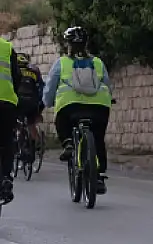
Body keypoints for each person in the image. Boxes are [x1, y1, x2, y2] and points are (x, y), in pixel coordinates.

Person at [46, 26, 114, 194]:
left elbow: (51, 87)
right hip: (99, 107)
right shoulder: (98, 62)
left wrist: (47, 102)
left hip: (70, 107)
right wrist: (109, 98)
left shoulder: (61, 63)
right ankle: (99, 176)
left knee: (61, 120)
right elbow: (107, 85)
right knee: (98, 139)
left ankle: (68, 143)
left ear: (67, 44)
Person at [0, 34, 19, 204]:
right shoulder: (7, 47)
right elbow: (17, 77)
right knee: (7, 141)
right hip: (7, 103)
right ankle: (6, 177)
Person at [15, 53, 44, 149]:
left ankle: (16, 141)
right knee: (31, 123)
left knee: (15, 121)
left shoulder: (14, 71)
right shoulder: (34, 70)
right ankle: (36, 144)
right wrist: (41, 105)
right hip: (32, 102)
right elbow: (41, 87)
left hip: (18, 102)